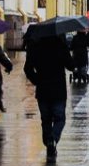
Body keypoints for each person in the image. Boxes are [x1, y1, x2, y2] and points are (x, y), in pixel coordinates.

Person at [25, 30, 70, 159]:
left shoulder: (36, 48)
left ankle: (49, 142)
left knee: (46, 119)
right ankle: (53, 139)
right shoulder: (60, 46)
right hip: (58, 91)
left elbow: (27, 68)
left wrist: (37, 80)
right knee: (59, 118)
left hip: (43, 90)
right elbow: (71, 66)